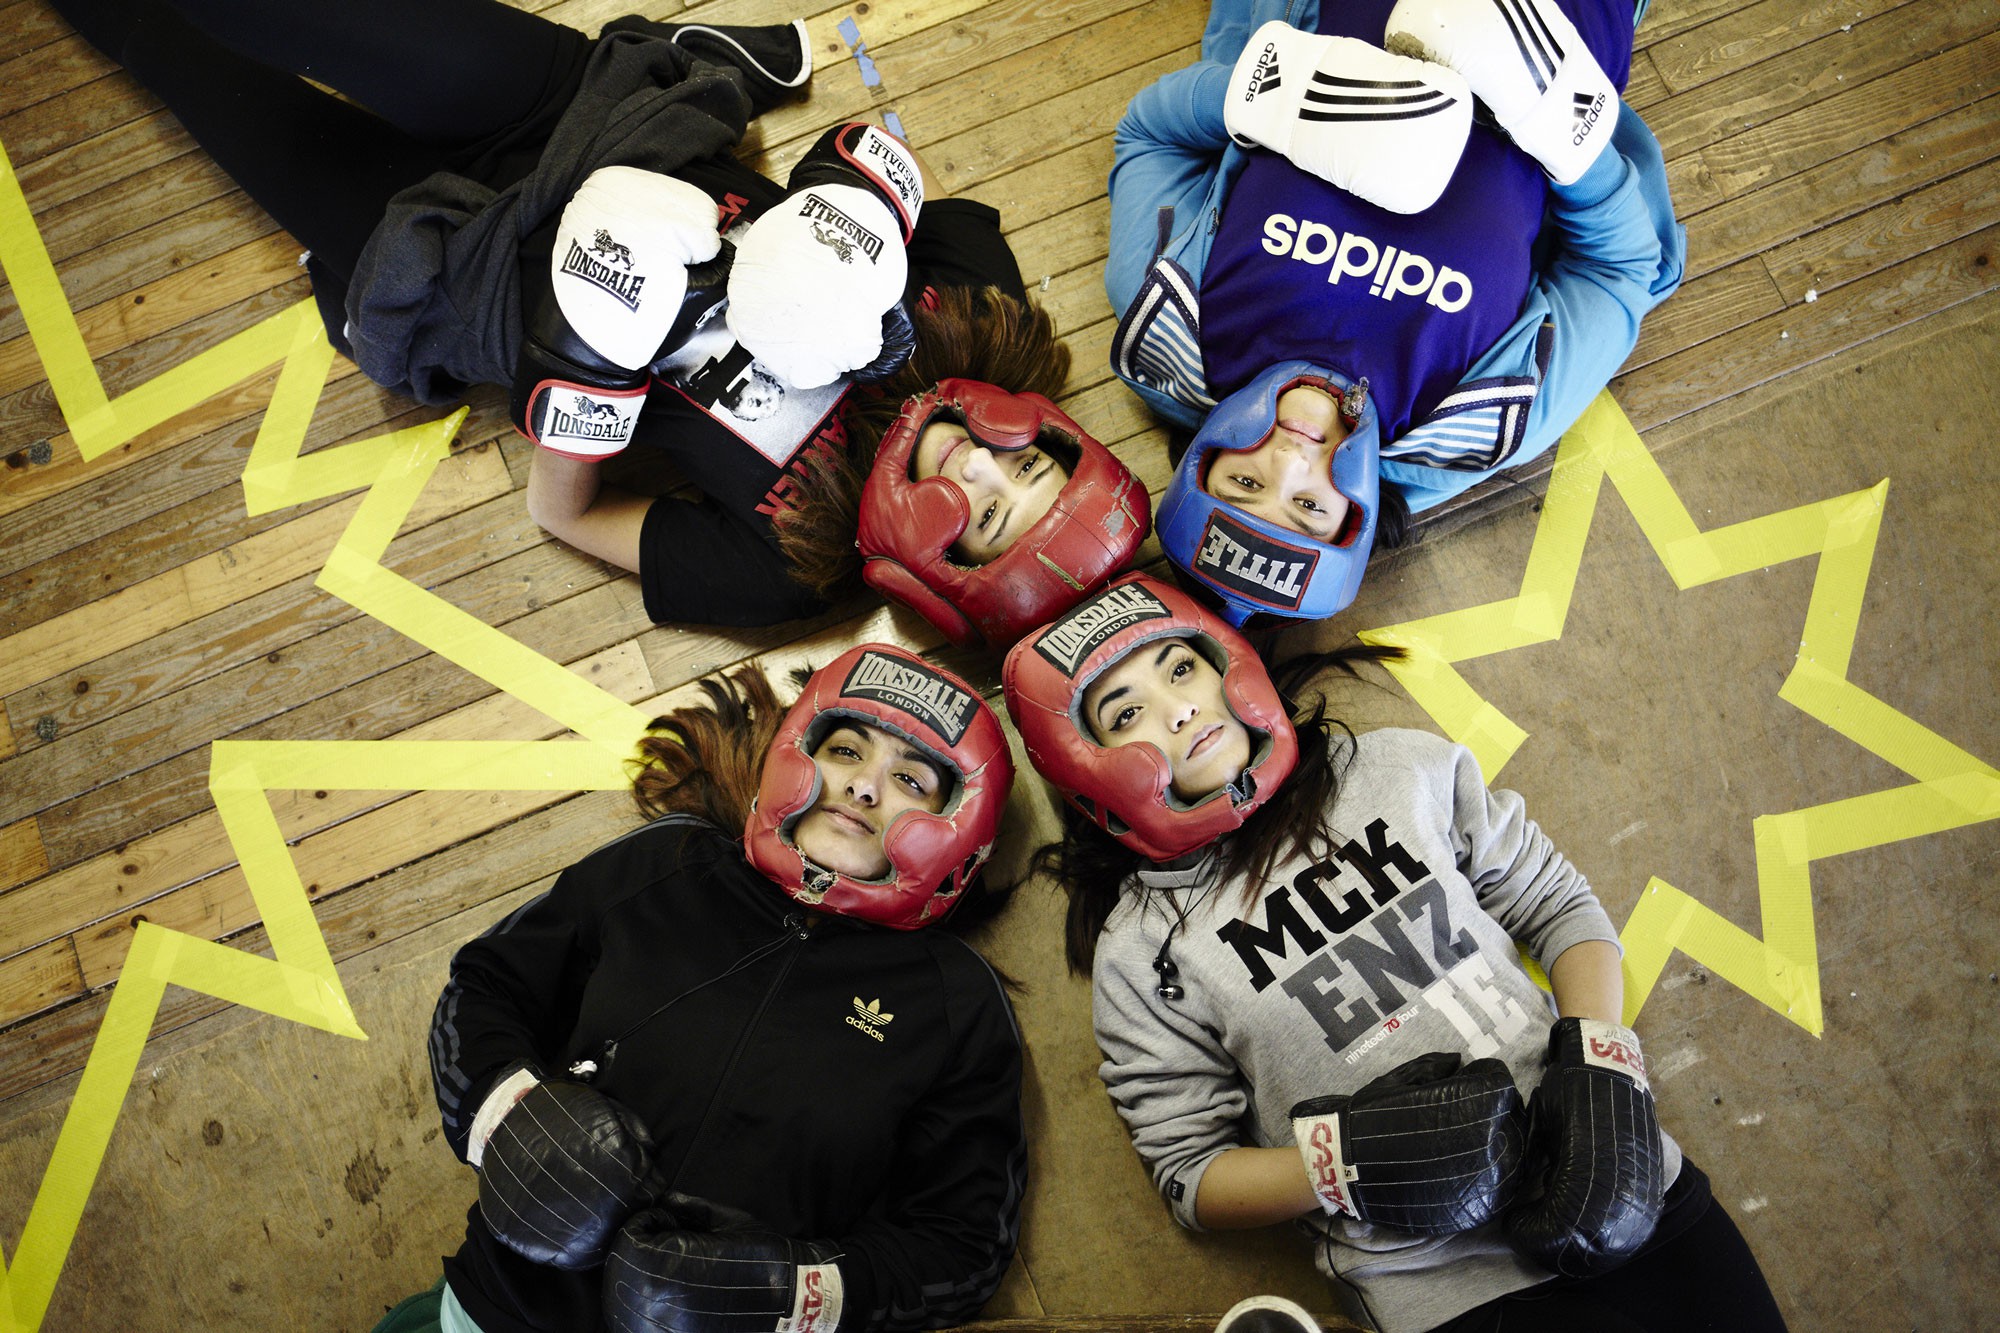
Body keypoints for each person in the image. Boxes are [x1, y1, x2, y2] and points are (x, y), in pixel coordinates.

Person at [48, 0, 1146, 639]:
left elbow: (567, 522)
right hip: (589, 124)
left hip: (464, 276)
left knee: (179, 66)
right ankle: (715, 63)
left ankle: (367, 304)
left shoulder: (791, 569)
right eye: (1029, 470)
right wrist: (840, 225)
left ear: (935, 569)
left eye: (987, 517)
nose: (979, 467)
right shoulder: (980, 329)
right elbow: (888, 179)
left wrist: (583, 388)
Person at [1001, 574, 1790, 1333]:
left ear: (1225, 667)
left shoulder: (1394, 768)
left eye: (1181, 668)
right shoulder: (1141, 952)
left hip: (1628, 1182)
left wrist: (1601, 1072)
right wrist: (1340, 1159)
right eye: (1126, 709)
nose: (1177, 709)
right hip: (1444, 1291)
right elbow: (1192, 1174)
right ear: (1085, 762)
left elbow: (1559, 905)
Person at [384, 643, 1025, 1333]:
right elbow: (485, 982)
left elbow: (962, 1248)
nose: (865, 787)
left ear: (961, 826)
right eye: (845, 750)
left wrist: (799, 1296)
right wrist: (510, 1123)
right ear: (796, 751)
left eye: (910, 779)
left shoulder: (956, 1002)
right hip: (490, 1312)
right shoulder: (669, 863)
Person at [1105, 0, 1686, 623]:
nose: (1292, 460)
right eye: (1309, 506)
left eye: (1245, 485)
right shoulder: (1484, 424)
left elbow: (1148, 134)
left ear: (1204, 459)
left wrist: (1284, 95)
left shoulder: (1164, 317)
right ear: (1359, 510)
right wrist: (1555, 118)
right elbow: (1622, 271)